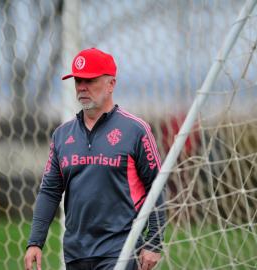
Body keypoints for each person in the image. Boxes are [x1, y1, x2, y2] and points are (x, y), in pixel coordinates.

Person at [24, 48, 165, 270]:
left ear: (111, 84)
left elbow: (157, 188)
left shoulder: (136, 130)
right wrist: (35, 242)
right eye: (78, 80)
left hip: (121, 250)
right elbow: (50, 191)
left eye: (90, 80)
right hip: (75, 254)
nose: (82, 87)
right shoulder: (62, 135)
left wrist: (154, 242)